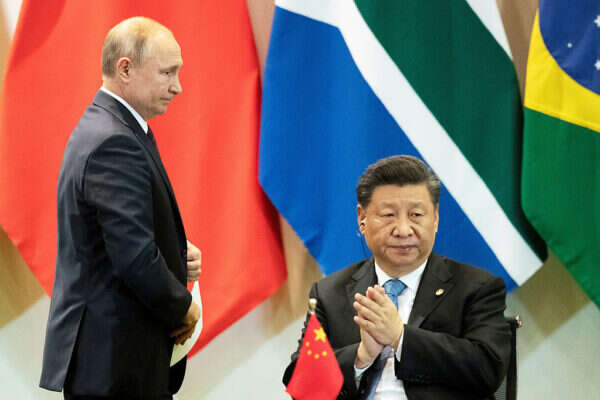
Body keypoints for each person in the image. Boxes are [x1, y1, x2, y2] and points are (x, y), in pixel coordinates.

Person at [40, 17, 202, 400]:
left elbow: (117, 238)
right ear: (125, 68)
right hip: (115, 366)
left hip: (115, 360)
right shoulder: (114, 142)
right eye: (167, 73)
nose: (177, 86)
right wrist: (184, 309)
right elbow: (134, 258)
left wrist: (176, 253)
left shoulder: (111, 127)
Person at [283, 155, 511, 399]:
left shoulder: (476, 288)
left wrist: (400, 337)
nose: (403, 230)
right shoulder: (330, 293)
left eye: (416, 215)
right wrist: (361, 356)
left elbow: (488, 369)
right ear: (362, 219)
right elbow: (301, 382)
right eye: (388, 215)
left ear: (435, 218)